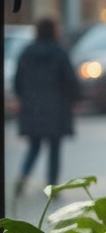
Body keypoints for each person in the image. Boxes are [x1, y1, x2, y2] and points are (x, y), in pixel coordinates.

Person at [14, 16, 79, 195]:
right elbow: (70, 80)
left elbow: (18, 81)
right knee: (55, 150)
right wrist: (75, 99)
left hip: (33, 108)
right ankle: (52, 187)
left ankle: (22, 178)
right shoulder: (59, 52)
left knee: (33, 147)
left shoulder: (26, 52)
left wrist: (24, 99)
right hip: (56, 108)